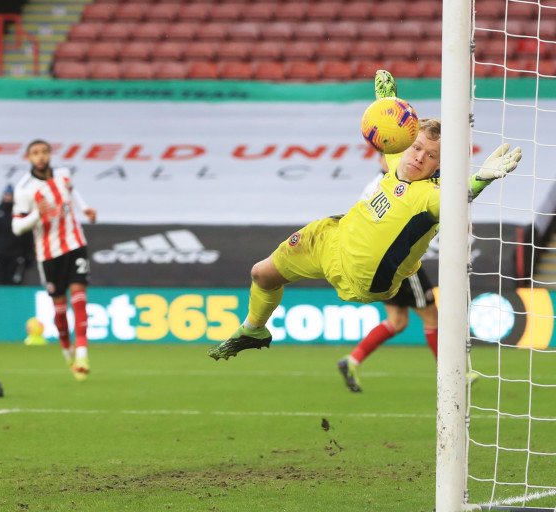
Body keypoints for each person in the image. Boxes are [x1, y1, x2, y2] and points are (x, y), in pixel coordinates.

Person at [208, 70, 522, 362]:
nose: (419, 157)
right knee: (261, 274)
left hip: (364, 279)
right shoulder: (399, 155)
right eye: (416, 148)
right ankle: (254, 328)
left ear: (439, 167)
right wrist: (386, 103)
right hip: (332, 239)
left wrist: (482, 178)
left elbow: (457, 199)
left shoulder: (430, 196)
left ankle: (454, 371)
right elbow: (390, 131)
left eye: (431, 156)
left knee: (415, 315)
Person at [336, 154, 439, 392]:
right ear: (383, 161)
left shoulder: (375, 185)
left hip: (379, 264)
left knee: (398, 321)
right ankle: (454, 374)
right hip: (401, 261)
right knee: (432, 317)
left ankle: (353, 360)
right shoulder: (392, 185)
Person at [11, 139, 97, 382]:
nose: (40, 157)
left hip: (75, 244)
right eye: (35, 153)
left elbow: (72, 191)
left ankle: (82, 355)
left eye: (44, 152)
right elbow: (17, 227)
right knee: (60, 310)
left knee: (79, 299)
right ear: (28, 158)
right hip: (48, 254)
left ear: (50, 154)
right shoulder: (24, 189)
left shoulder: (63, 174)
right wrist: (39, 214)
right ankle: (67, 352)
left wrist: (85, 208)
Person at [0, 184, 35, 285]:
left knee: (16, 281)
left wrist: (28, 254)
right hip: (1, 253)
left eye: (10, 195)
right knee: (1, 281)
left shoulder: (21, 211)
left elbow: (28, 234)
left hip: (17, 254)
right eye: (6, 195)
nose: (8, 197)